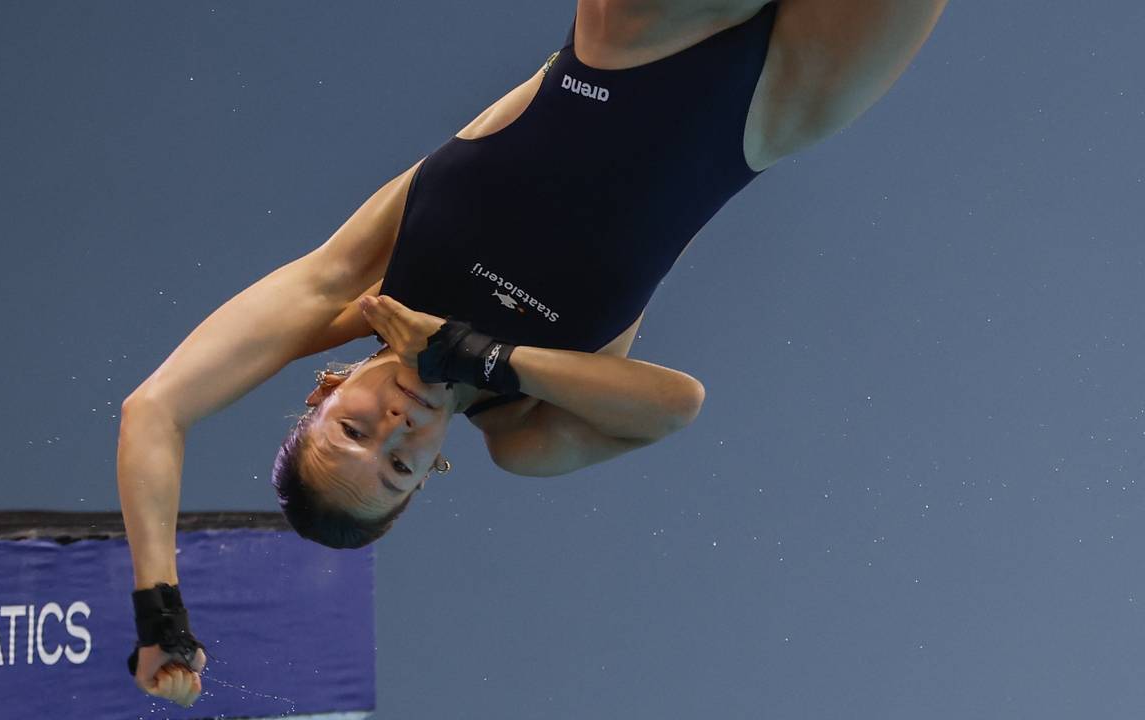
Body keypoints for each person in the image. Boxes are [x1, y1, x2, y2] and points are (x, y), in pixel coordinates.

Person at [117, 0, 949, 706]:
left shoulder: (353, 282)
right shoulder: (524, 432)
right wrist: (481, 357)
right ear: (430, 471)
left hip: (637, 34)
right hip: (780, 105)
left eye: (354, 433)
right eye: (401, 467)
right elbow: (674, 403)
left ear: (323, 393)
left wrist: (160, 613)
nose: (396, 429)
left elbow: (156, 409)